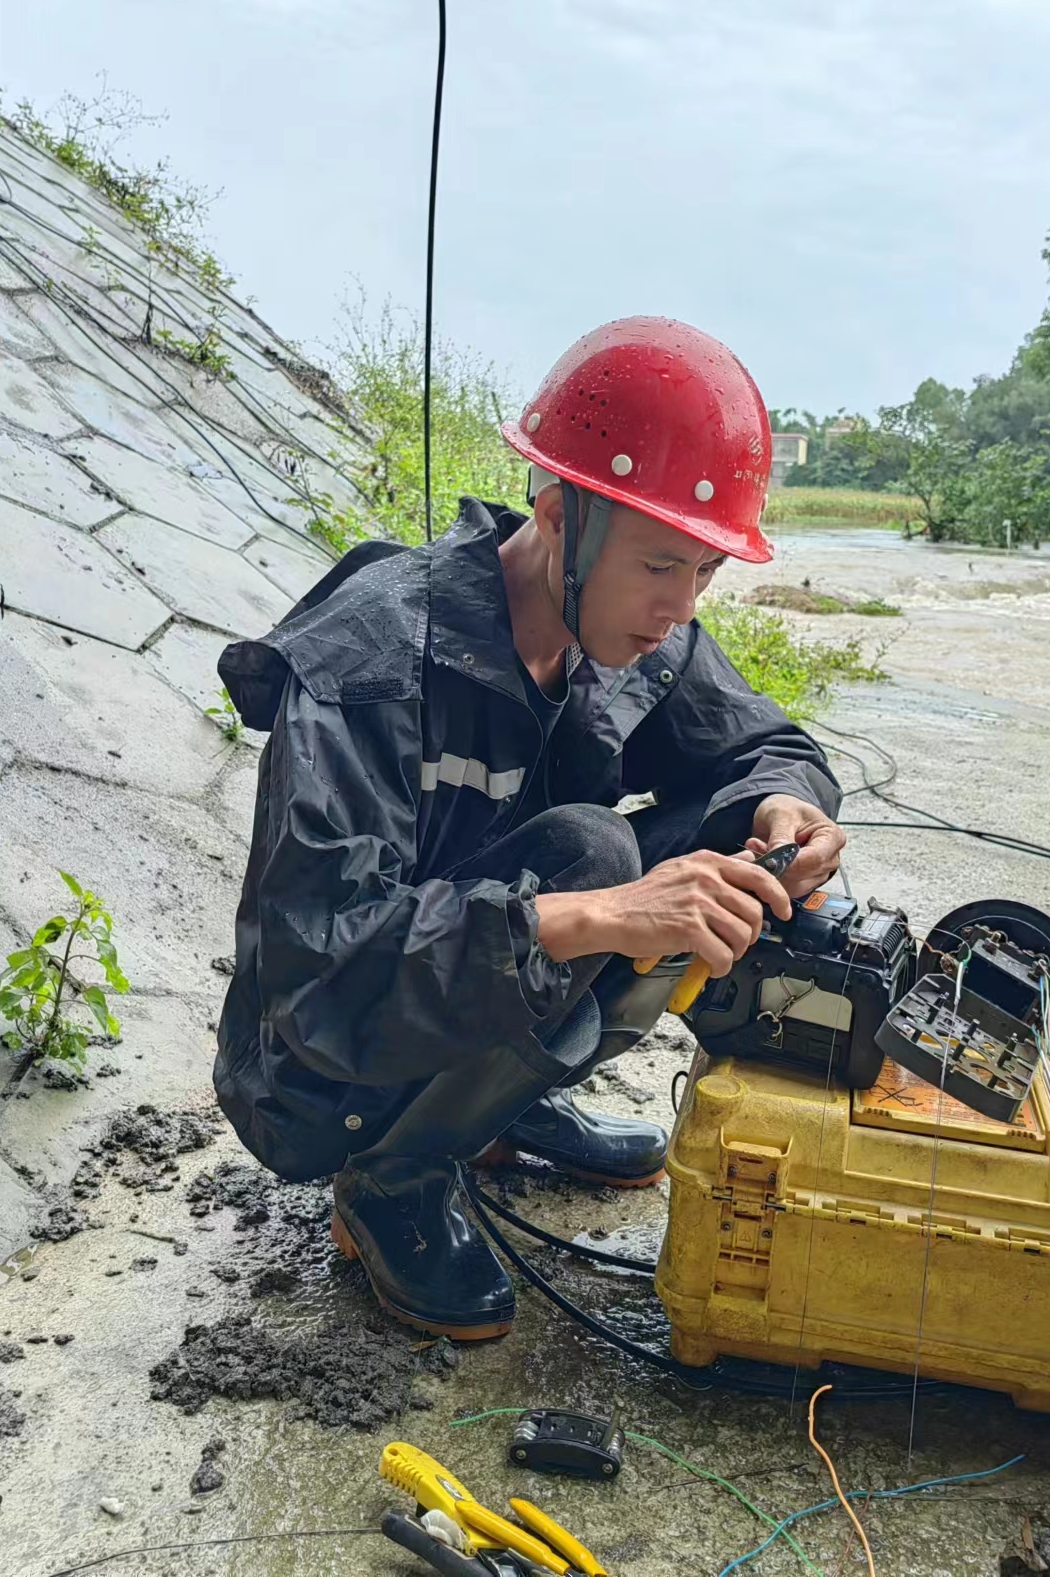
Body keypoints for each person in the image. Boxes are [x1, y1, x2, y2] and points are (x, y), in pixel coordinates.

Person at [213, 315, 847, 1338]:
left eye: (704, 573)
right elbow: (317, 969)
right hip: (316, 1075)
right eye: (659, 565)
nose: (680, 607)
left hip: (451, 995)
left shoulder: (633, 626)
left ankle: (493, 1104)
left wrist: (787, 802)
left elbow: (761, 742)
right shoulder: (371, 655)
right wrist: (592, 914)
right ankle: (395, 1173)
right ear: (559, 514)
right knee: (603, 857)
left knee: (704, 857)